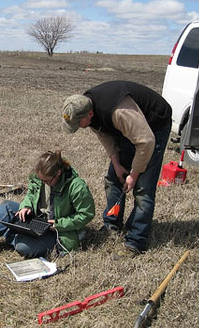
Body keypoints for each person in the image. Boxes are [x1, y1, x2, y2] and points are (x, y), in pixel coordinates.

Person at [61, 80, 172, 257]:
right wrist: (117, 163)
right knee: (113, 179)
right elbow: (103, 133)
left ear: (90, 114)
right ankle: (111, 224)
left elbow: (146, 142)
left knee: (143, 188)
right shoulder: (86, 106)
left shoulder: (119, 112)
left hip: (154, 127)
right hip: (130, 130)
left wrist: (134, 175)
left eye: (78, 124)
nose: (78, 128)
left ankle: (136, 241)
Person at [0, 150, 95, 259]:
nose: (43, 183)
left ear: (58, 173)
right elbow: (30, 194)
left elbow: (86, 214)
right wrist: (26, 206)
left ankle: (12, 234)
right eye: (41, 180)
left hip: (58, 231)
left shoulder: (77, 187)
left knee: (23, 247)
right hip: (37, 218)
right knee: (7, 206)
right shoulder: (39, 178)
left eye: (46, 181)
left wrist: (59, 224)